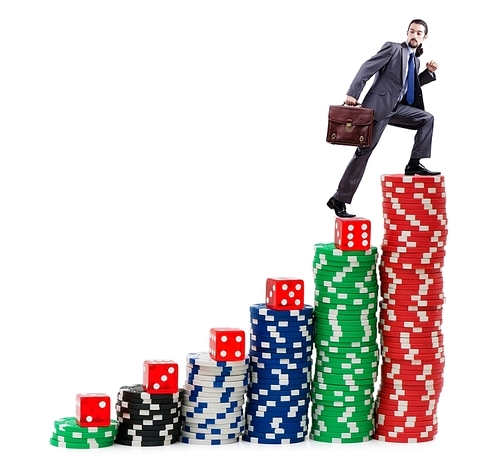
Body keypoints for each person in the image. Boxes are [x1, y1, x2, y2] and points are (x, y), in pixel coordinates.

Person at [327, 19, 440, 218]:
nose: (414, 36)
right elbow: (367, 67)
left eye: (419, 33)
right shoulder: (393, 49)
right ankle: (339, 199)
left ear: (425, 37)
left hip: (397, 109)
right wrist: (354, 93)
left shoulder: (416, 60)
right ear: (407, 33)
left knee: (427, 118)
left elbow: (409, 88)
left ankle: (414, 164)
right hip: (378, 109)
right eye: (411, 31)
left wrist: (428, 74)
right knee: (363, 153)